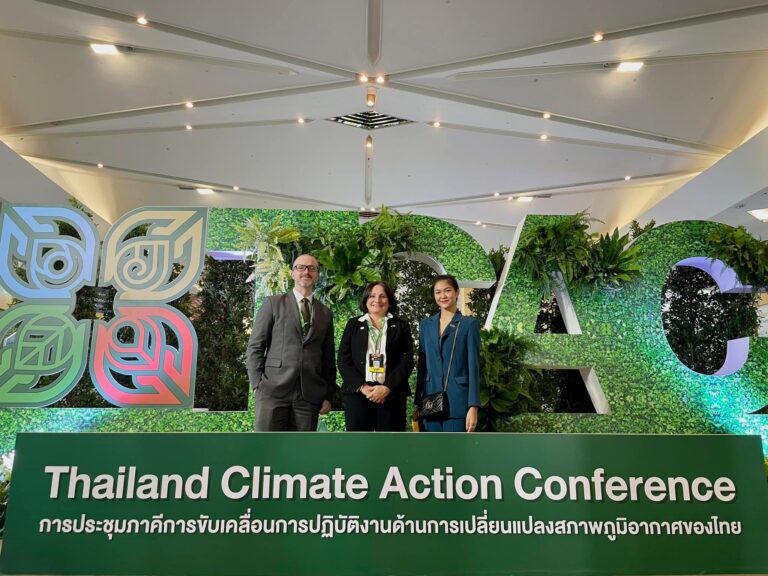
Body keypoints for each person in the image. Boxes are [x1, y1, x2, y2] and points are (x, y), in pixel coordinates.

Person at [247, 254, 337, 431]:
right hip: (272, 391)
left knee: (301, 454)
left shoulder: (325, 313)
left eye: (312, 268)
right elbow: (256, 346)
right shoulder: (273, 303)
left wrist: (328, 395)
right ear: (292, 274)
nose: (306, 271)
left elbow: (328, 357)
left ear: (317, 275)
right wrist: (257, 384)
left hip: (309, 395)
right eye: (301, 267)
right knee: (266, 449)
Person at [338, 282, 414, 431]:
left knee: (390, 447)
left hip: (391, 395)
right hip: (358, 395)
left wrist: (387, 387)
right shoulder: (353, 324)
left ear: (390, 300)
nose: (377, 300)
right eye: (372, 296)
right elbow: (343, 360)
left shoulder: (401, 325)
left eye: (382, 296)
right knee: (359, 447)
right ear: (366, 300)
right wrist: (363, 387)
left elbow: (407, 360)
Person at [415, 274, 480, 432]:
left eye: (447, 290)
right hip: (430, 402)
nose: (442, 296)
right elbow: (422, 366)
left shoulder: (469, 325)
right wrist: (418, 402)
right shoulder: (425, 325)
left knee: (456, 454)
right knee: (432, 453)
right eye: (438, 292)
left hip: (458, 403)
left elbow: (474, 368)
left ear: (457, 292)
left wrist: (473, 406)